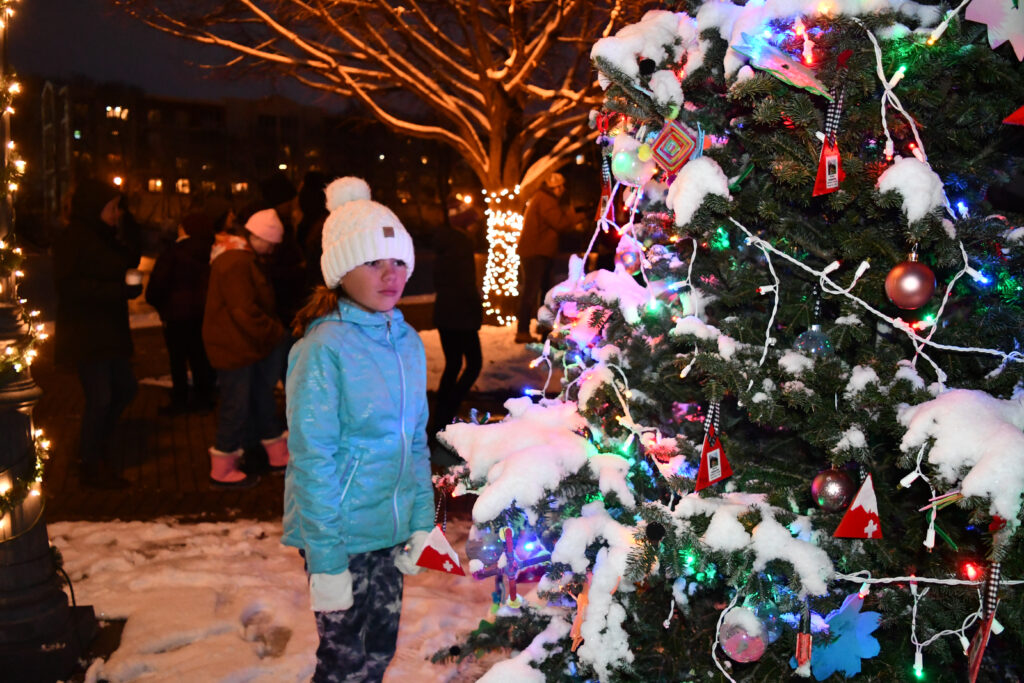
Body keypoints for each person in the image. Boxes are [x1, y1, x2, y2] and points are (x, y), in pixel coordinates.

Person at [283, 176, 433, 683]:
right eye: (373, 262)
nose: (390, 275)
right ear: (340, 271)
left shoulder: (407, 342)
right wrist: (325, 559)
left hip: (389, 534)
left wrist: (421, 522)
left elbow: (414, 442)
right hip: (342, 536)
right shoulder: (324, 347)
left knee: (378, 654)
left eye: (399, 263)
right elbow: (311, 458)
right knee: (344, 665)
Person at [53, 178, 142, 489]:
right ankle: (90, 462)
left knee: (124, 389)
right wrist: (115, 290)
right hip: (87, 334)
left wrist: (128, 229)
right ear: (95, 209)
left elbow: (127, 260)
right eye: (112, 208)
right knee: (100, 397)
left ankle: (97, 448)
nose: (116, 213)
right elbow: (69, 286)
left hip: (109, 331)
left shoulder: (105, 236)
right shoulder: (74, 239)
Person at [202, 208, 291, 488]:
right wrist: (275, 332)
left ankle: (268, 454)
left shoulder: (240, 257)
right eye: (271, 244)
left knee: (254, 399)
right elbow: (245, 311)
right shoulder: (237, 262)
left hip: (241, 345)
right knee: (236, 405)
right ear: (260, 237)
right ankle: (223, 467)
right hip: (235, 347)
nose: (272, 250)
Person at [144, 212, 217, 414]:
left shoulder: (173, 253)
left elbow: (157, 285)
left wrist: (160, 305)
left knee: (177, 360)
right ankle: (203, 399)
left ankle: (180, 400)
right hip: (202, 314)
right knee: (200, 357)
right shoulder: (211, 252)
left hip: (176, 316)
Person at [430, 195, 483, 436]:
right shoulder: (461, 244)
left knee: (453, 364)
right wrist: (475, 311)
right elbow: (465, 284)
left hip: (445, 312)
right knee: (474, 364)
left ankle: (441, 415)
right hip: (461, 315)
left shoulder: (445, 241)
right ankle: (446, 410)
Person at [515, 171, 583, 343]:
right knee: (532, 292)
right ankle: (523, 331)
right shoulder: (546, 200)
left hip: (538, 251)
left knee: (541, 290)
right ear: (555, 187)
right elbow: (560, 223)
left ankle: (541, 328)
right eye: (561, 187)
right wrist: (578, 216)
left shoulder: (542, 198)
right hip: (536, 253)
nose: (563, 190)